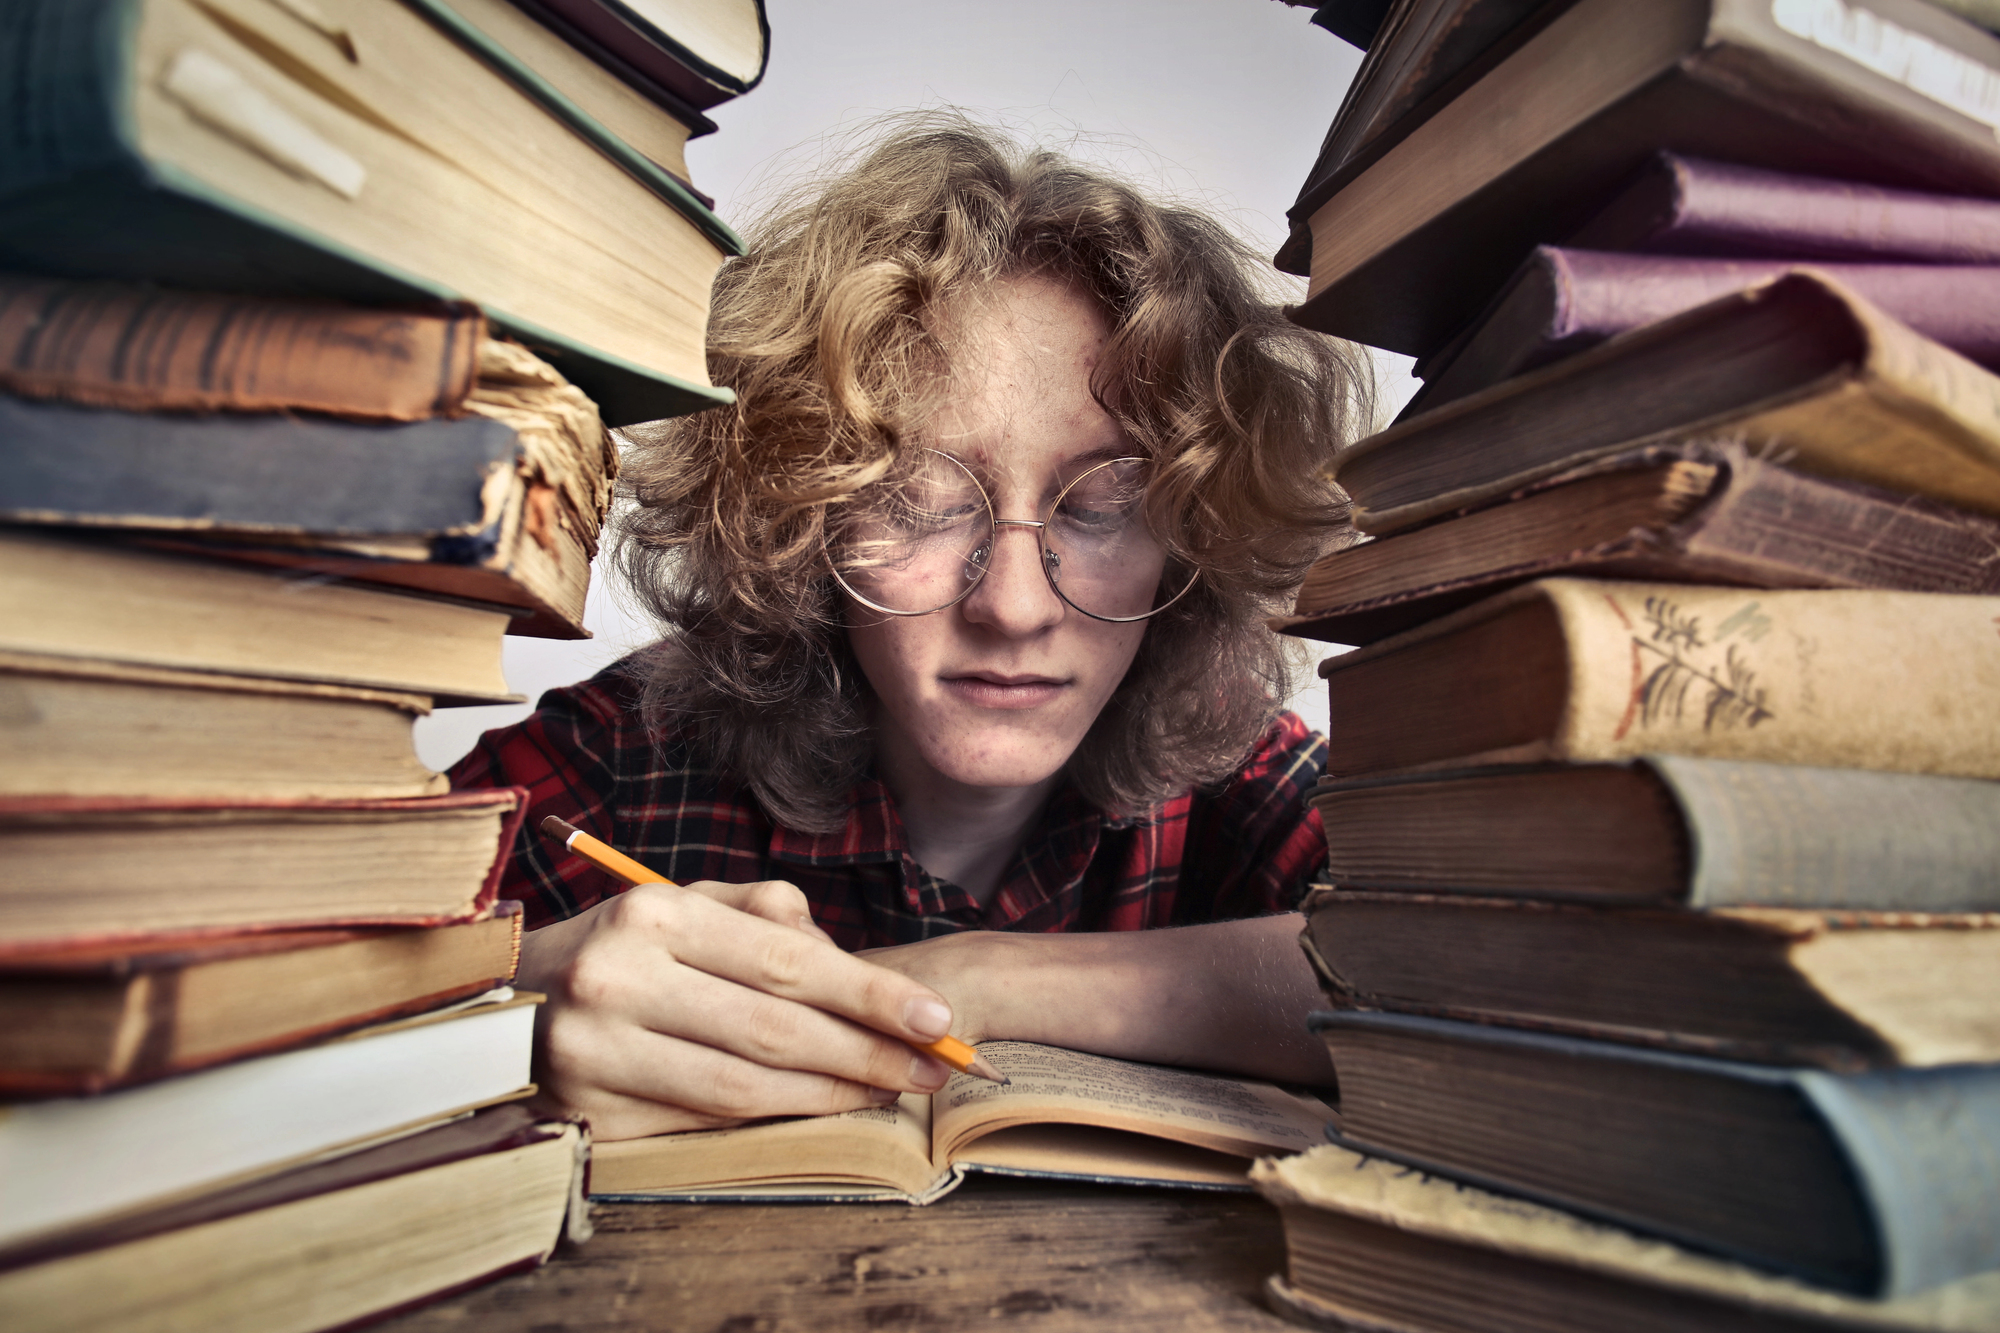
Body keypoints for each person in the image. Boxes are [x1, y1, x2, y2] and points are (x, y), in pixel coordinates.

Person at [450, 115, 1372, 1142]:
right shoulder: (621, 754)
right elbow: (292, 975)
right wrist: (504, 1004)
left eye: (1103, 504)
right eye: (916, 498)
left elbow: (1488, 962)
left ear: (1191, 534)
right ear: (801, 515)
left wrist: (967, 980)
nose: (1013, 607)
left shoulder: (1240, 777)